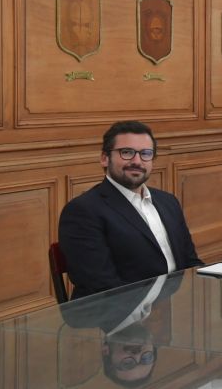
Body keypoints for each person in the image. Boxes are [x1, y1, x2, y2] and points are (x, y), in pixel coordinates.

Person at [58, 121, 203, 299]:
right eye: (126, 153)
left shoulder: (168, 202)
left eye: (145, 154)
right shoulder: (82, 211)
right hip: (116, 315)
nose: (137, 161)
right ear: (104, 158)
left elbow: (190, 263)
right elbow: (101, 285)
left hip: (173, 305)